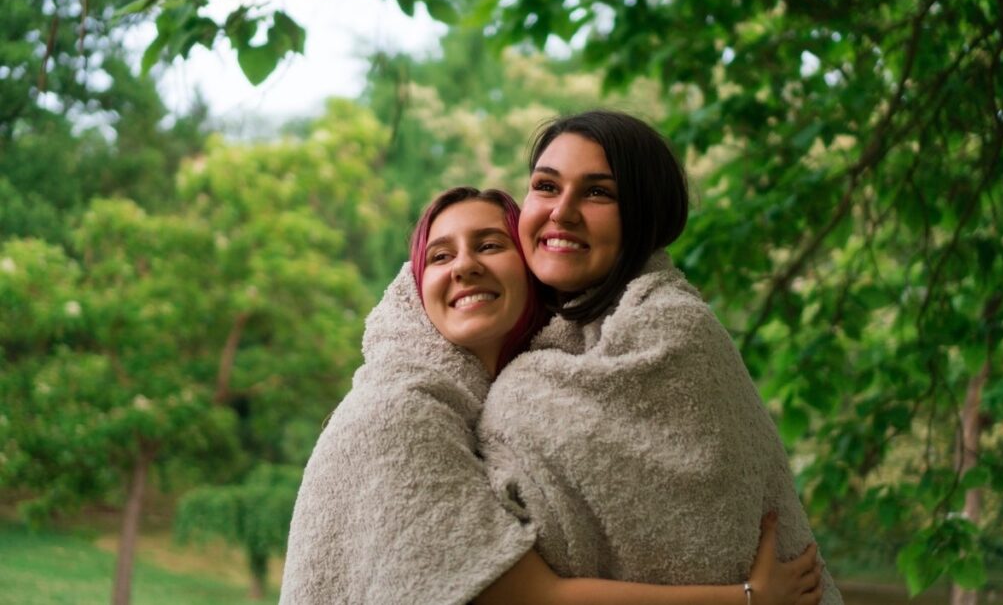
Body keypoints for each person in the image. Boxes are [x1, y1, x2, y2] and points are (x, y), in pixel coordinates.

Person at [280, 186, 823, 604]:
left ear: (533, 271)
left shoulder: (517, 406)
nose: (465, 265)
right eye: (440, 257)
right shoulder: (399, 411)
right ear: (416, 292)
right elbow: (528, 598)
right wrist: (749, 598)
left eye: (490, 245)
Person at [476, 111, 844, 604]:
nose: (562, 212)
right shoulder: (514, 326)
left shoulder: (672, 329)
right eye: (546, 186)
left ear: (643, 216)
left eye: (598, 193)